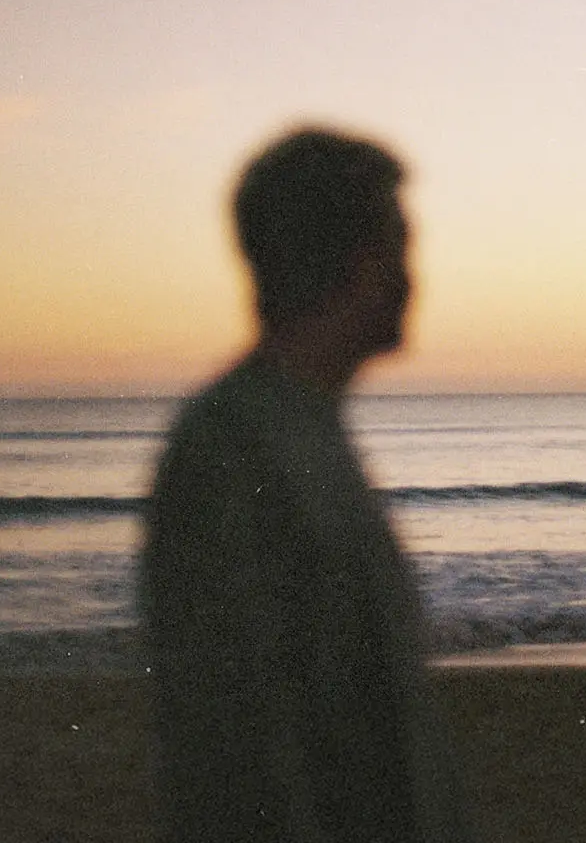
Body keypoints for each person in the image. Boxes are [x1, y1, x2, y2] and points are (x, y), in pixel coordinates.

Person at [141, 127, 472, 843]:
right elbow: (234, 755)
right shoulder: (230, 447)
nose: (416, 281)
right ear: (359, 266)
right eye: (401, 250)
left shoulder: (305, 430)